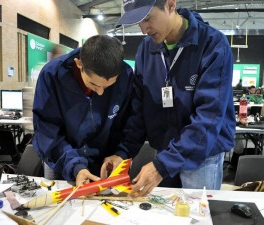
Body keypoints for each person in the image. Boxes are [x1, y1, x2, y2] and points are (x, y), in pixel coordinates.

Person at [102, 0, 236, 195]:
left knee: (195, 218)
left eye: (147, 18)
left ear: (170, 5)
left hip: (201, 157)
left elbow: (209, 117)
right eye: (138, 22)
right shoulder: (146, 49)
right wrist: (123, 153)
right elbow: (138, 110)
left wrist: (162, 166)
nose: (143, 29)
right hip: (164, 152)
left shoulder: (212, 44)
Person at [32, 35, 133, 186]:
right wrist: (75, 166)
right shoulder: (51, 75)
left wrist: (120, 153)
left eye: (108, 86)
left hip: (107, 164)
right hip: (63, 162)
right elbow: (47, 131)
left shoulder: (125, 75)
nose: (100, 93)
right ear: (79, 64)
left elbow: (130, 122)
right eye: (93, 84)